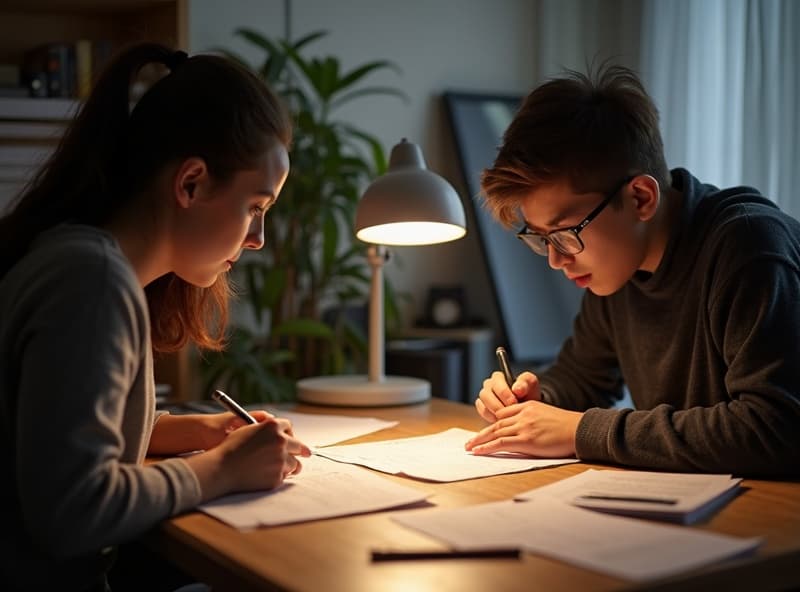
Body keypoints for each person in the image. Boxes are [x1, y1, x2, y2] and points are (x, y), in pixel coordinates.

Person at [0, 43, 311, 591]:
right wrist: (223, 470)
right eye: (255, 208)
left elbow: (60, 433)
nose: (259, 239)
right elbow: (72, 512)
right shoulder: (91, 280)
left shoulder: (81, 260)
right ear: (190, 183)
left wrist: (200, 431)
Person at [465, 64, 800, 477]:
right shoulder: (620, 268)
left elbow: (775, 429)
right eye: (540, 238)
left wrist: (580, 430)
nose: (556, 259)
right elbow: (581, 377)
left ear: (641, 198)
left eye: (565, 233)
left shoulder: (750, 247)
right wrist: (532, 401)